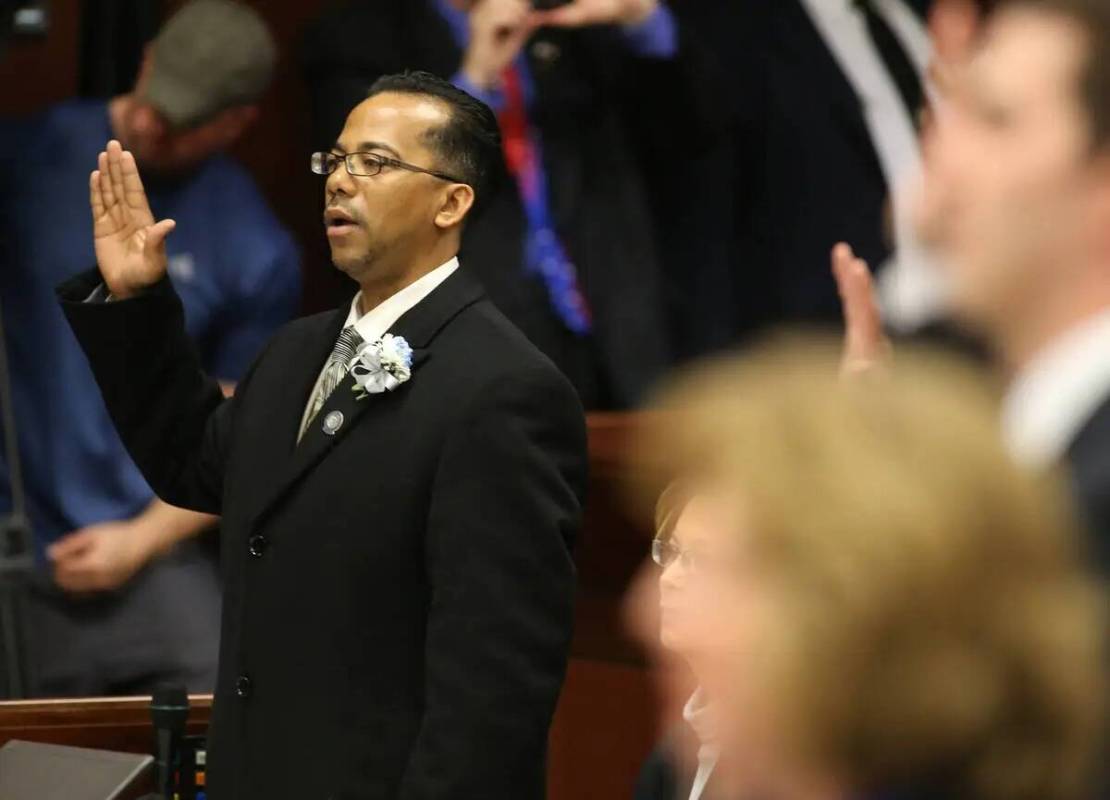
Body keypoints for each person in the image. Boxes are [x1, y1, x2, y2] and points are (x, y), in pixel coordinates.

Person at [57, 70, 587, 799]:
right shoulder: (295, 351)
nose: (340, 181)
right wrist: (136, 299)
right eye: (335, 161)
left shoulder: (505, 389)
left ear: (451, 202)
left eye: (375, 163)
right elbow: (193, 464)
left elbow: (495, 691)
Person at [633, 337, 1107, 800]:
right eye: (668, 554)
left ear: (863, 614)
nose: (641, 613)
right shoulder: (676, 767)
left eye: (718, 568)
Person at [0, 0, 300, 696]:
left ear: (237, 123)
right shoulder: (25, 156)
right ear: (145, 60)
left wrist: (136, 544)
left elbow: (243, 436)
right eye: (152, 98)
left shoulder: (254, 246)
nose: (148, 123)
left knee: (228, 698)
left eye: (180, 122)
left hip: (147, 550)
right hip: (14, 535)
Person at [302, 0, 715, 408]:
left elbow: (691, 147)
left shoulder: (565, 23)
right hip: (472, 338)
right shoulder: (357, 35)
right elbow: (369, 185)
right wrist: (476, 79)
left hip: (616, 330)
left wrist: (642, 18)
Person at [837, 0, 1110, 571]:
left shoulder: (1086, 506)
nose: (942, 164)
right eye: (944, 116)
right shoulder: (1022, 447)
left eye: (996, 120)